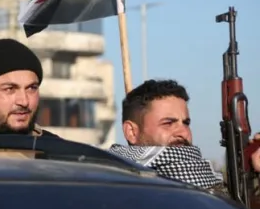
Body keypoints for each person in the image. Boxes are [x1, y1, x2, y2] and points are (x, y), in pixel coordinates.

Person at [108, 79, 260, 197]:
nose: (183, 132)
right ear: (132, 132)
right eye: (168, 123)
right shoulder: (117, 190)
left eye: (186, 123)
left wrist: (254, 175)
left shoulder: (213, 187)